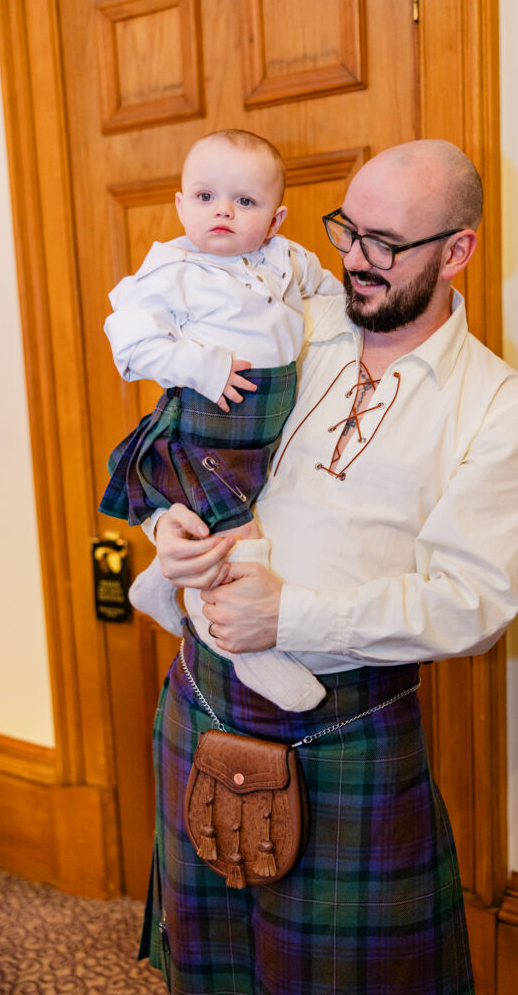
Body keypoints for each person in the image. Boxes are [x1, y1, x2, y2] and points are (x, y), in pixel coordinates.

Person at [141, 139, 518, 995]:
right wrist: (165, 529)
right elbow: (190, 451)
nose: (356, 262)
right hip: (201, 697)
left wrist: (288, 619)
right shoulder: (289, 324)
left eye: (385, 244)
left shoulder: (498, 406)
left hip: (346, 735)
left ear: (457, 249)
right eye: (346, 233)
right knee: (206, 975)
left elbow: (473, 602)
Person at [99, 129, 342, 712]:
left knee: (226, 522)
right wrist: (202, 366)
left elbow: (329, 297)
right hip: (209, 424)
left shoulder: (288, 258)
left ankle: (157, 584)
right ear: (181, 205)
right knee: (239, 536)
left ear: (277, 218)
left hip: (263, 429)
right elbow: (128, 344)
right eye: (205, 197)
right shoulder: (173, 271)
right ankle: (247, 652)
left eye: (245, 201)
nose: (223, 212)